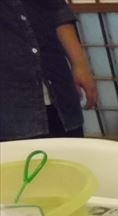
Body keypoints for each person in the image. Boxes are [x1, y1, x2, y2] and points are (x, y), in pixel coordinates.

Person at [0, 0, 97, 141]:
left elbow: (58, 10)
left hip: (56, 82)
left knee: (70, 149)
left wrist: (80, 64)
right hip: (11, 103)